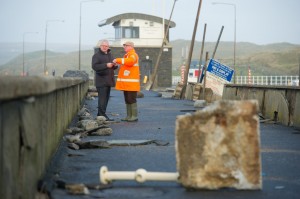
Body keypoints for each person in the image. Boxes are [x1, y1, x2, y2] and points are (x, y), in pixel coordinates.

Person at [113, 41, 140, 122]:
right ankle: (129, 116)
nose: (124, 47)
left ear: (131, 47)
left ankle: (134, 116)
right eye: (124, 46)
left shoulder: (133, 55)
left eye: (126, 46)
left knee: (131, 99)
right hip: (127, 84)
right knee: (128, 99)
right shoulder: (127, 55)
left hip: (131, 84)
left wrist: (118, 60)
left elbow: (130, 62)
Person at [92, 39, 118, 121]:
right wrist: (106, 65)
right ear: (100, 46)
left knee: (106, 99)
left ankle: (101, 115)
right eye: (103, 46)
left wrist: (115, 65)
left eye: (106, 46)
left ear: (108, 47)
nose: (105, 47)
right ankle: (101, 115)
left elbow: (114, 67)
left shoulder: (110, 55)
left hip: (109, 81)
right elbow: (95, 67)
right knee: (102, 99)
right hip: (101, 81)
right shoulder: (96, 56)